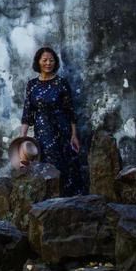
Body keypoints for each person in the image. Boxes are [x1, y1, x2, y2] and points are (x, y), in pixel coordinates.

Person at [20, 46, 84, 196]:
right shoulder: (32, 85)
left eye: (51, 60)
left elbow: (70, 111)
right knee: (47, 166)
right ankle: (51, 204)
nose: (48, 63)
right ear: (38, 62)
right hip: (43, 133)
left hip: (62, 130)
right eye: (45, 60)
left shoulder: (61, 83)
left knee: (67, 166)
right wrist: (22, 137)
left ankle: (71, 203)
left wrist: (74, 135)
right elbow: (27, 112)